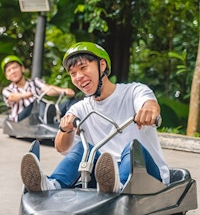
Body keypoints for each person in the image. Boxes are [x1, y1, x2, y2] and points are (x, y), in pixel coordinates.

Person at [20, 42, 170, 193]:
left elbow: (148, 103)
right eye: (73, 73)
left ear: (102, 65)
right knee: (82, 149)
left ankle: (121, 186)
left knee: (132, 148)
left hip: (149, 176)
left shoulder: (133, 91)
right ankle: (52, 184)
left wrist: (149, 110)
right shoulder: (80, 109)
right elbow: (61, 147)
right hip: (104, 177)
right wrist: (65, 129)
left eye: (83, 68)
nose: (78, 77)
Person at [1, 55, 77, 123]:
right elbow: (11, 97)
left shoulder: (35, 82)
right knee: (36, 102)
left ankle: (74, 122)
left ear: (22, 69)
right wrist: (24, 95)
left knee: (69, 102)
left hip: (41, 111)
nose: (13, 72)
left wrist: (64, 91)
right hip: (21, 118)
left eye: (15, 68)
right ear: (7, 76)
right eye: (9, 70)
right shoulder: (7, 90)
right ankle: (45, 119)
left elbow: (48, 89)